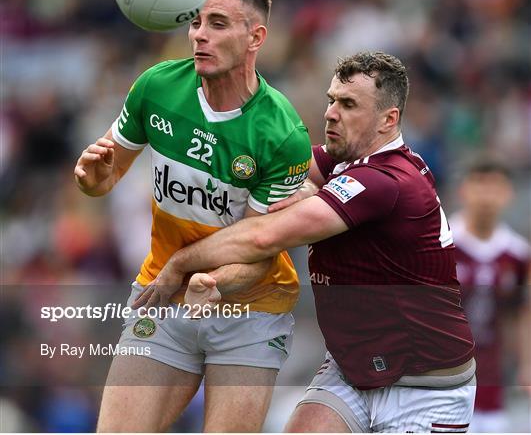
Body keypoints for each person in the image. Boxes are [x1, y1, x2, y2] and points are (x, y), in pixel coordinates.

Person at [136, 52, 477, 433]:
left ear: (388, 119)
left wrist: (180, 262)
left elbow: (262, 236)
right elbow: (274, 170)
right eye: (331, 100)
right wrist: (311, 186)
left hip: (424, 387)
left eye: (348, 105)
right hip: (351, 372)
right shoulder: (344, 162)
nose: (331, 113)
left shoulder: (387, 181)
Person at [74, 0, 312, 432]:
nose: (200, 34)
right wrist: (91, 180)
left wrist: (213, 281)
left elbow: (260, 252)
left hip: (251, 308)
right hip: (160, 295)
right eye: (196, 22)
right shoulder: (157, 87)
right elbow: (105, 175)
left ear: (255, 38)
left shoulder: (282, 135)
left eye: (218, 24)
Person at [450, 160, 530, 433]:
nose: (486, 196)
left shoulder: (517, 254)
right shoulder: (441, 243)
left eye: (495, 187)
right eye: (479, 185)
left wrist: (526, 364)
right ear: (463, 190)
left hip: (491, 376)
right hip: (441, 376)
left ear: (509, 194)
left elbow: (521, 311)